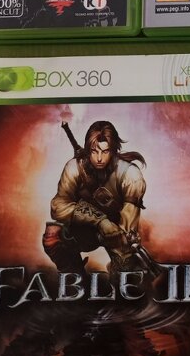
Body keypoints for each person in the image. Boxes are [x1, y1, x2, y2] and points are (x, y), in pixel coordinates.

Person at [42, 120, 148, 285]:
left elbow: (128, 223)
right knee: (53, 236)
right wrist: (100, 220)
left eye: (105, 152)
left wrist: (123, 241)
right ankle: (74, 280)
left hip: (115, 231)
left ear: (113, 150)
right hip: (84, 229)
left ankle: (122, 281)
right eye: (94, 151)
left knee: (125, 277)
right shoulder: (74, 168)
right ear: (87, 150)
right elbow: (58, 207)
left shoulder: (130, 175)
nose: (99, 158)